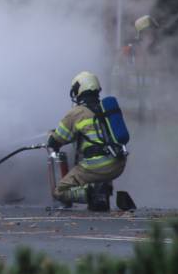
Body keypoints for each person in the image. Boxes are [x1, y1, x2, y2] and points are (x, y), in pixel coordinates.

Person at [47, 71, 127, 209]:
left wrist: (51, 138)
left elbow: (57, 140)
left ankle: (92, 193)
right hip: (118, 164)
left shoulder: (76, 113)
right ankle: (103, 189)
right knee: (99, 162)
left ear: (80, 89)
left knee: (59, 191)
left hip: (96, 166)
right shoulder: (105, 109)